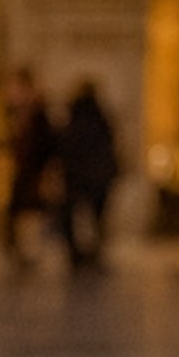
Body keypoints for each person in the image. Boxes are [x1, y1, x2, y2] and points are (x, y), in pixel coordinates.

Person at [58, 81, 121, 269]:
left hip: (78, 176)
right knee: (97, 218)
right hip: (98, 176)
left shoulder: (74, 118)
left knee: (71, 215)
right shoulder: (101, 117)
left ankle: (76, 252)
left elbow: (66, 147)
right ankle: (94, 252)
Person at [2, 68, 55, 260]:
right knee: (21, 214)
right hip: (23, 174)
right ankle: (23, 251)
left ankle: (30, 251)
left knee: (31, 214)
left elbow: (44, 147)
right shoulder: (16, 115)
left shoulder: (38, 115)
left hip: (33, 175)